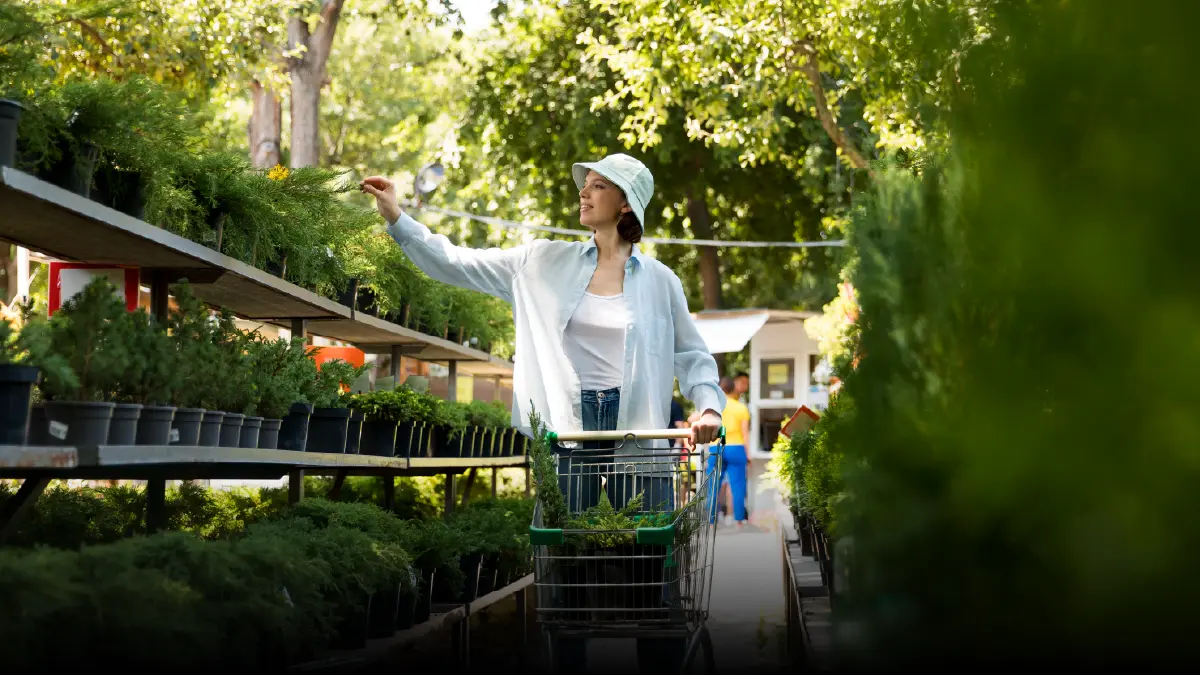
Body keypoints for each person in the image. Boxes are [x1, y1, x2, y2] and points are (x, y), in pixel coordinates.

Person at [361, 152, 724, 674]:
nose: (584, 192)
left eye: (598, 186)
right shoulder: (541, 262)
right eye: (586, 183)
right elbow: (458, 263)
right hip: (569, 434)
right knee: (564, 575)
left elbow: (693, 355)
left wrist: (708, 405)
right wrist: (399, 218)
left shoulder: (661, 280)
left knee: (651, 572)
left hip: (641, 435)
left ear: (625, 205)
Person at [707, 376, 752, 528]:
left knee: (713, 484)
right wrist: (748, 453)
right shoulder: (741, 408)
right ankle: (739, 520)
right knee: (738, 484)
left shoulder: (714, 407)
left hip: (717, 446)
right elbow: (745, 433)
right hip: (736, 447)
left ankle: (711, 522)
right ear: (733, 389)